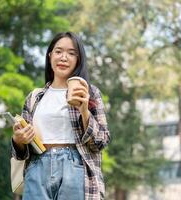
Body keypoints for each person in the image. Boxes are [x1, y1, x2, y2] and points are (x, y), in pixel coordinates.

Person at [11, 32, 111, 200]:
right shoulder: (34, 98)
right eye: (58, 51)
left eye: (71, 53)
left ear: (78, 59)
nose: (64, 57)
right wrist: (18, 140)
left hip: (75, 167)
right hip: (37, 167)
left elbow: (100, 142)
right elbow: (21, 153)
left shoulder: (89, 93)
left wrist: (84, 110)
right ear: (50, 56)